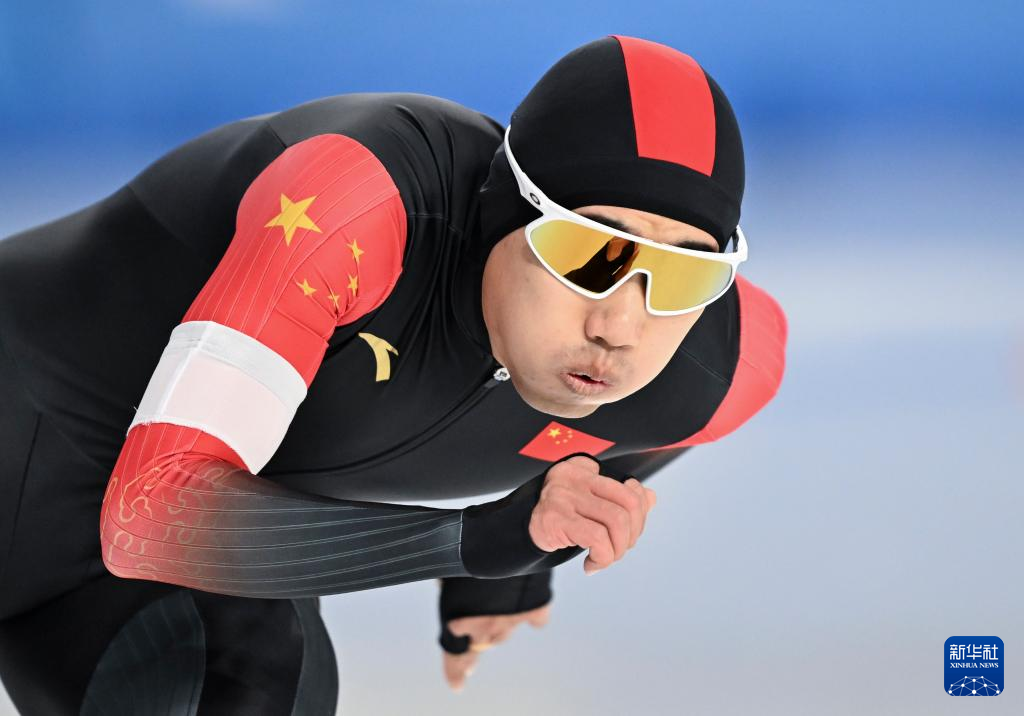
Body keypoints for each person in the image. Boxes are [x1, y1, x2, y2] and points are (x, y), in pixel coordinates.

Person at [0, 34, 787, 714]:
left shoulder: (720, 364)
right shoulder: (360, 204)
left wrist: (531, 543)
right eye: (589, 252)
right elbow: (152, 513)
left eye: (683, 274)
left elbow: (597, 468)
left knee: (258, 687)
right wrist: (478, 541)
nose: (618, 326)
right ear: (504, 210)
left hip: (149, 583)